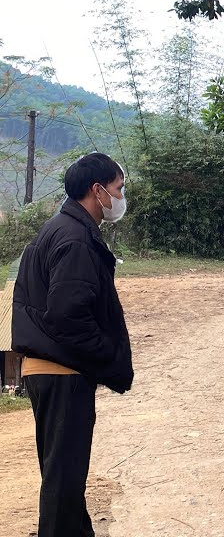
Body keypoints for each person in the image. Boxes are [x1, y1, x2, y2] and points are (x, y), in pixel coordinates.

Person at [11, 152, 133, 536]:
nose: (120, 196)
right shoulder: (75, 238)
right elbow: (68, 315)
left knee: (64, 477)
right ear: (98, 191)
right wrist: (106, 354)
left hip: (47, 369)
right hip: (62, 371)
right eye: (118, 188)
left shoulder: (58, 229)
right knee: (64, 482)